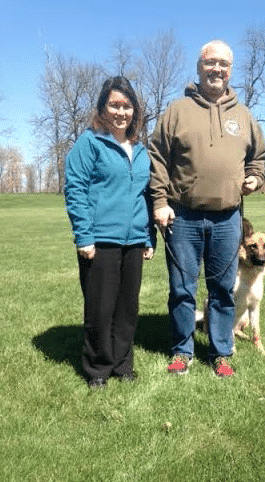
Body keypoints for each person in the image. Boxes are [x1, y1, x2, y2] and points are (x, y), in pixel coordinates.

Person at [149, 40, 265, 378]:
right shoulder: (176, 110)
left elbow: (259, 157)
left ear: (230, 70)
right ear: (199, 67)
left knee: (222, 289)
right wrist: (159, 202)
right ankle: (182, 351)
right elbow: (157, 157)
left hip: (228, 217)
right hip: (182, 215)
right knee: (182, 288)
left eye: (223, 64)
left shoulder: (243, 115)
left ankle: (221, 352)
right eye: (210, 62)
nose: (216, 69)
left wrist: (255, 178)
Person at [65, 76, 155, 389]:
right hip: (100, 239)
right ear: (103, 107)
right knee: (100, 309)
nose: (120, 111)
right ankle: (98, 369)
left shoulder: (141, 149)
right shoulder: (89, 142)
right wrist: (84, 236)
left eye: (126, 105)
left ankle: (122, 364)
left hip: (134, 240)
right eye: (114, 104)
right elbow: (75, 189)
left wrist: (149, 238)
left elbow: (146, 196)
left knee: (127, 308)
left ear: (135, 110)